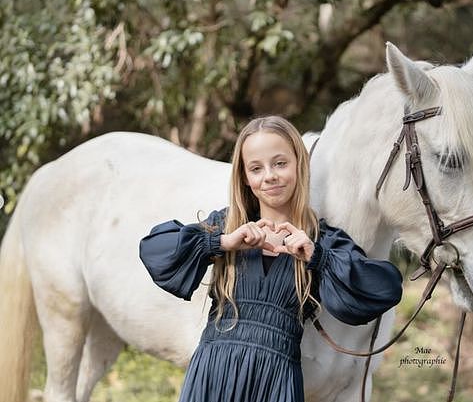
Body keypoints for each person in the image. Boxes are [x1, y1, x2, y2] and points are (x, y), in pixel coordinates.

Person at [139, 116, 403, 402]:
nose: (270, 176)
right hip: (214, 373)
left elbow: (383, 289)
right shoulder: (227, 226)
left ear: (299, 163)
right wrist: (222, 242)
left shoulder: (322, 239)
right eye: (256, 168)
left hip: (276, 382)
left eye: (280, 163)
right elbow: (154, 250)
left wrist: (318, 257)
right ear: (245, 177)